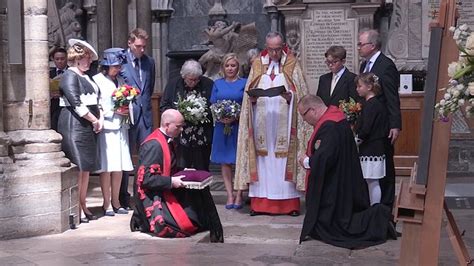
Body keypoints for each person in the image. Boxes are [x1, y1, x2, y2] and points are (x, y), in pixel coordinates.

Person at [297, 95, 394, 249]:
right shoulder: (335, 118)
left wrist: (306, 161)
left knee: (339, 225)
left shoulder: (330, 126)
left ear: (313, 110)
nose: (303, 120)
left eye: (303, 115)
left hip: (335, 183)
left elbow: (326, 157)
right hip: (341, 177)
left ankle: (378, 218)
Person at [234, 31, 310, 216]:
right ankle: (260, 204)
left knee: (283, 160)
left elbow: (301, 94)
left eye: (277, 49)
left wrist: (290, 96)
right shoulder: (258, 64)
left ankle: (289, 205)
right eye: (271, 49)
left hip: (285, 123)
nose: (274, 53)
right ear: (266, 47)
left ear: (283, 45)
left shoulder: (292, 64)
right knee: (263, 161)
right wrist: (251, 100)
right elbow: (248, 93)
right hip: (263, 125)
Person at [130, 109, 224, 242]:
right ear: (167, 125)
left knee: (200, 194)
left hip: (164, 185)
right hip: (153, 194)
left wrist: (184, 171)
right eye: (178, 126)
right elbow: (145, 179)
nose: (181, 130)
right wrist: (171, 181)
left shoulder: (169, 139)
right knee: (182, 226)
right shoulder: (154, 145)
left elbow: (168, 167)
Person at [57, 39, 103, 223]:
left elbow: (95, 99)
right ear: (77, 58)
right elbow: (75, 102)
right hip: (74, 125)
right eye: (86, 58)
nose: (89, 61)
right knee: (79, 167)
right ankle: (76, 206)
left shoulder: (86, 76)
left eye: (90, 58)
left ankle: (82, 203)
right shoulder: (69, 75)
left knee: (85, 170)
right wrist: (94, 120)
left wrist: (100, 119)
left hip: (87, 126)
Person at [358, 29, 401, 210]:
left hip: (381, 126)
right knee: (372, 173)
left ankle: (385, 210)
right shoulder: (364, 66)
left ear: (372, 45)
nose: (359, 47)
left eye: (361, 44)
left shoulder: (386, 65)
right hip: (369, 121)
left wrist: (395, 125)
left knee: (385, 170)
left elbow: (392, 97)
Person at [93, 48, 134, 216]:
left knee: (119, 167)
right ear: (106, 65)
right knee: (107, 166)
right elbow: (96, 105)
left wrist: (126, 110)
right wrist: (112, 113)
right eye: (114, 66)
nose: (117, 69)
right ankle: (106, 203)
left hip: (121, 127)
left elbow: (127, 101)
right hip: (107, 128)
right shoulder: (97, 80)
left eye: (119, 66)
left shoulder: (121, 81)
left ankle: (116, 201)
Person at [119, 28, 156, 209]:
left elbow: (149, 88)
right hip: (127, 115)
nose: (142, 50)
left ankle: (142, 192)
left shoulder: (150, 62)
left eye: (144, 46)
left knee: (146, 155)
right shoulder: (121, 61)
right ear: (130, 43)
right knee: (125, 155)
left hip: (145, 116)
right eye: (139, 46)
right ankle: (123, 196)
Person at [160, 59, 214, 171]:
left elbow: (214, 107)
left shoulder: (208, 84)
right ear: (184, 76)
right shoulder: (173, 84)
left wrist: (200, 114)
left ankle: (202, 188)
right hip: (180, 135)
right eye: (191, 80)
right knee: (181, 167)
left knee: (202, 167)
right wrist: (178, 116)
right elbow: (164, 106)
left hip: (201, 135)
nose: (194, 82)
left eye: (196, 79)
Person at [210, 53, 246, 209]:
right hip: (221, 127)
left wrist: (236, 117)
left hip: (238, 126)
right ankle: (229, 195)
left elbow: (248, 106)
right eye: (227, 66)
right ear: (222, 67)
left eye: (233, 65)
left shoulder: (244, 82)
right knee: (225, 162)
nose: (230, 68)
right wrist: (220, 117)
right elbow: (212, 104)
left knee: (239, 160)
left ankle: (239, 194)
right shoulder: (217, 83)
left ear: (238, 67)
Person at [354, 73, 389, 206]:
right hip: (374, 145)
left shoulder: (372, 105)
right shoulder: (373, 104)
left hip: (371, 146)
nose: (357, 89)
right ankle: (373, 206)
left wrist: (357, 139)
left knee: (372, 180)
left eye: (359, 86)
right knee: (371, 180)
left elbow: (367, 128)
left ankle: (375, 208)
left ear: (369, 87)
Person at [49, 47, 68, 131]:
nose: (60, 61)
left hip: (67, 107)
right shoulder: (49, 74)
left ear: (67, 59)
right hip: (53, 107)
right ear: (53, 60)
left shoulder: (71, 72)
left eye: (62, 59)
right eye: (57, 59)